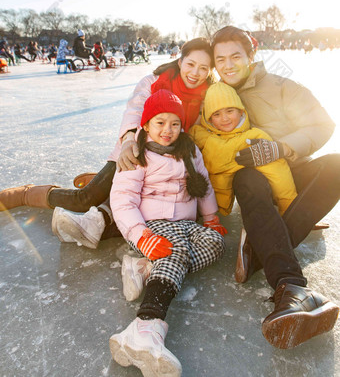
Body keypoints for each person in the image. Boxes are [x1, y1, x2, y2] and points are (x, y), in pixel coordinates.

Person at [0, 38, 214, 245]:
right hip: (137, 153)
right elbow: (134, 111)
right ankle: (26, 194)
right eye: (191, 64)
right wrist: (130, 142)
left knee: (166, 215)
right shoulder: (153, 82)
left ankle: (107, 190)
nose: (196, 73)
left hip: (169, 166)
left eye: (203, 68)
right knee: (84, 199)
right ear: (180, 62)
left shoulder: (207, 96)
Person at [210, 25, 339, 349]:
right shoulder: (217, 94)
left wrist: (281, 147)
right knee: (248, 180)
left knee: (336, 165)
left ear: (251, 54)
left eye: (235, 56)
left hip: (290, 169)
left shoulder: (282, 86)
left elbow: (322, 124)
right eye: (220, 59)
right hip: (251, 178)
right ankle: (291, 287)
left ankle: (257, 248)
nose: (227, 65)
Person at [108, 89, 226, 376]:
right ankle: (145, 325)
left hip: (186, 221)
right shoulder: (138, 154)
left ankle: (147, 269)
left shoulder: (190, 150)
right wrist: (141, 237)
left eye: (174, 123)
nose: (167, 130)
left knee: (215, 244)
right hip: (152, 224)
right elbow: (123, 199)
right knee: (175, 252)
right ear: (146, 124)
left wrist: (210, 217)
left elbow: (203, 182)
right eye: (160, 123)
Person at [189, 82, 297, 218]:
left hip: (247, 194)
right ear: (209, 119)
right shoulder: (199, 136)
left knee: (251, 179)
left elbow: (278, 171)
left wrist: (288, 205)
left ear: (240, 111)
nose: (225, 118)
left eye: (230, 111)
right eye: (216, 114)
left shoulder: (253, 137)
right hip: (207, 207)